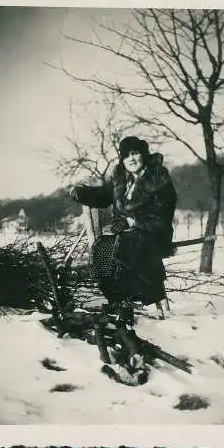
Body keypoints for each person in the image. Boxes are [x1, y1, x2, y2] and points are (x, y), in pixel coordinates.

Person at [70, 136, 177, 327]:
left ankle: (131, 298)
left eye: (135, 153)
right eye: (127, 156)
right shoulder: (121, 178)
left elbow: (164, 213)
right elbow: (104, 195)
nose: (132, 159)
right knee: (101, 248)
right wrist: (83, 193)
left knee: (126, 246)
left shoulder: (158, 177)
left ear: (143, 155)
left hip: (154, 233)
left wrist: (134, 221)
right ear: (123, 159)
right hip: (126, 233)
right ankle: (117, 300)